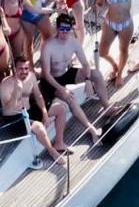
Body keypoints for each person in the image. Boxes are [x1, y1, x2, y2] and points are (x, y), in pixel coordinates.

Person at [39, 12, 109, 145]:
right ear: (58, 28)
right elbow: (46, 74)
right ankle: (92, 130)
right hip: (51, 81)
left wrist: (88, 80)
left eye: (68, 29)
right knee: (70, 98)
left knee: (97, 75)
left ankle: (107, 107)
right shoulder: (48, 46)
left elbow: (86, 64)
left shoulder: (74, 42)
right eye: (62, 29)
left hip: (66, 73)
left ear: (71, 29)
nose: (65, 32)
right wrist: (61, 90)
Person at [0, 58, 69, 162]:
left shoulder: (31, 77)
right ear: (14, 69)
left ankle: (59, 142)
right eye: (21, 69)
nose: (24, 71)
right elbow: (7, 110)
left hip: (29, 110)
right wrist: (15, 93)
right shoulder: (5, 84)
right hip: (15, 117)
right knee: (39, 127)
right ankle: (51, 150)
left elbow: (38, 96)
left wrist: (44, 112)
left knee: (60, 109)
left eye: (26, 68)